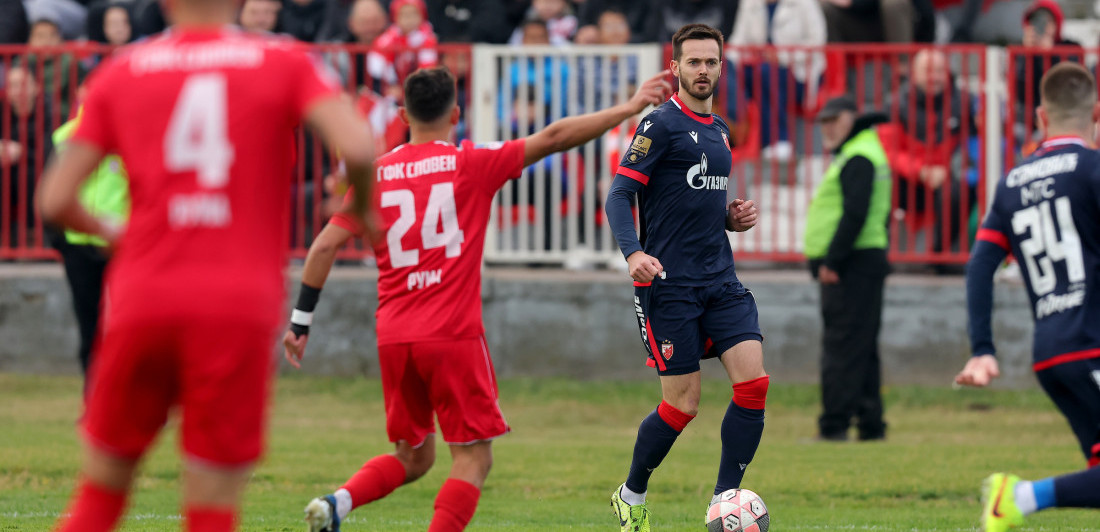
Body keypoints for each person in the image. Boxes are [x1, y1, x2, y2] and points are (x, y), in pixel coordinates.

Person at [282, 65, 671, 532]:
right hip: (451, 334)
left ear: (403, 114)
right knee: (473, 459)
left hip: (393, 336)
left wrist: (300, 324)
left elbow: (323, 246)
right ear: (456, 112)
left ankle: (337, 503)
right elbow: (552, 137)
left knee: (415, 456)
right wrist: (630, 108)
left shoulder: (378, 174)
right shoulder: (470, 162)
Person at [36, 0, 377, 529]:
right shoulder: (282, 61)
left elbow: (55, 199)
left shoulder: (125, 68)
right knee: (212, 506)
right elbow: (358, 143)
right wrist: (358, 207)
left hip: (145, 292)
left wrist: (114, 233)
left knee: (100, 496)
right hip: (236, 301)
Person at [604, 23, 767, 532]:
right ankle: (630, 494)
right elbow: (618, 196)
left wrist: (728, 219)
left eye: (710, 62)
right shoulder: (659, 125)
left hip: (720, 279)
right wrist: (633, 254)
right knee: (682, 405)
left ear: (722, 67)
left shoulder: (720, 130)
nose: (702, 70)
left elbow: (689, 203)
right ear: (675, 68)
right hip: (669, 286)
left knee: (754, 386)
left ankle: (724, 501)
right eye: (692, 62)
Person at [955, 62, 1100, 532]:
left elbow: (980, 264)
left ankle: (1019, 498)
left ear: (1040, 117)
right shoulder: (1092, 170)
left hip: (1052, 351)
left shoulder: (1012, 183)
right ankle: (1019, 497)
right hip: (1092, 343)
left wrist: (983, 349)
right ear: (1095, 112)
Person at [803, 95, 891, 441]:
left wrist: (832, 261)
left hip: (849, 264)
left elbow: (855, 214)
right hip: (862, 261)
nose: (826, 128)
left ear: (851, 118)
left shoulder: (858, 156)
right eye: (822, 122)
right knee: (862, 347)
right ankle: (871, 425)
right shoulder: (865, 150)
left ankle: (834, 426)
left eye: (833, 120)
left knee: (841, 347)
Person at [50, 112, 129, 389]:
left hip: (122, 244)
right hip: (79, 243)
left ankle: (139, 395)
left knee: (132, 324)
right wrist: (60, 239)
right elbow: (51, 191)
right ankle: (94, 397)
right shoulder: (65, 135)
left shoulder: (132, 131)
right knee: (90, 326)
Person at [726, 0, 826, 162]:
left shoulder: (805, 3)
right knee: (726, 68)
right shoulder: (749, 4)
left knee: (766, 73)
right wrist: (724, 61)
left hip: (799, 73)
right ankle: (731, 131)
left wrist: (781, 57)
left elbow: (817, 42)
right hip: (759, 69)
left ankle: (779, 139)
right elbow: (738, 42)